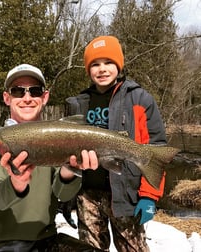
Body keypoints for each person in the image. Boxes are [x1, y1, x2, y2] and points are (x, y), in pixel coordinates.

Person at [0, 63, 102, 252]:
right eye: (18, 91)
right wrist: (17, 183)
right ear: (7, 98)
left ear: (44, 97)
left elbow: (63, 194)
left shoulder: (57, 138)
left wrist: (70, 170)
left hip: (45, 239)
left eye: (35, 91)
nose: (27, 98)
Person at [65, 36, 167, 252]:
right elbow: (66, 155)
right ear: (88, 69)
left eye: (108, 62)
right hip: (88, 194)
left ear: (119, 65)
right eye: (95, 64)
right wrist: (67, 197)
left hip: (125, 194)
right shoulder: (77, 103)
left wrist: (149, 195)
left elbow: (156, 150)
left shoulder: (139, 99)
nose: (102, 69)